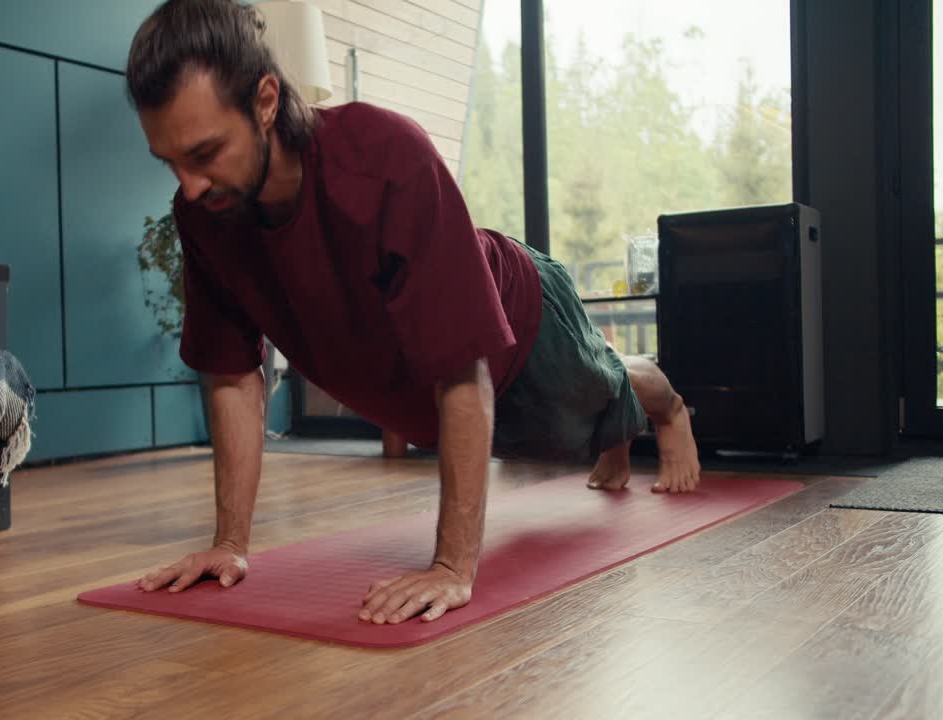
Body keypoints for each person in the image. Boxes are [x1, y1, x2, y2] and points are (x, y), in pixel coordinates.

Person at [126, 0, 700, 626]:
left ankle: (664, 405)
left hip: (527, 322)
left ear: (265, 101)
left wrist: (453, 568)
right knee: (572, 439)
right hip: (452, 390)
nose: (189, 186)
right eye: (170, 162)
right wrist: (230, 543)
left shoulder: (382, 156)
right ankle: (613, 436)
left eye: (205, 153)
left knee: (602, 396)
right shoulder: (205, 219)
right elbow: (233, 376)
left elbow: (462, 373)